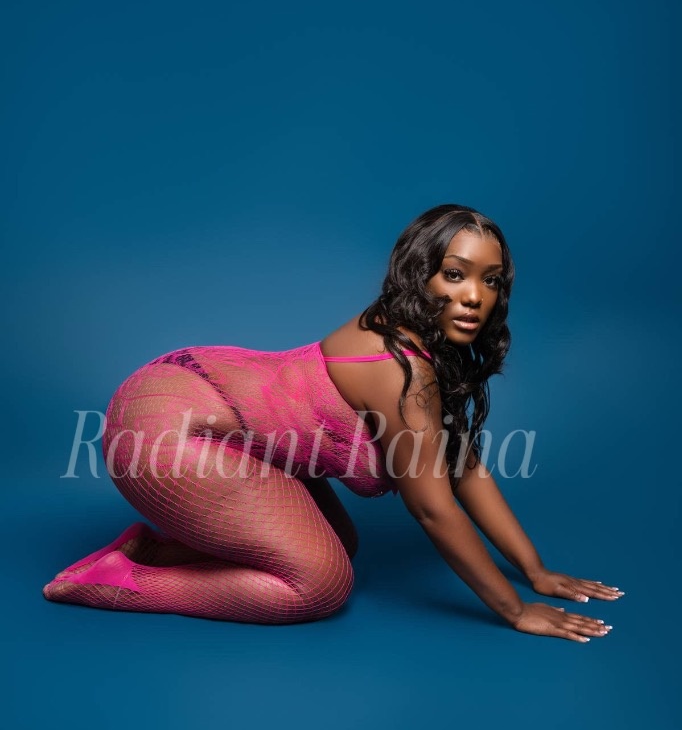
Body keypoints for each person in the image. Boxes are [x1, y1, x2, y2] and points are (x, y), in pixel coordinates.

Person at [43, 203, 623, 640]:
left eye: (490, 280)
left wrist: (535, 570)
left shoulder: (412, 340)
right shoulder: (398, 369)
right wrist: (515, 610)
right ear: (419, 275)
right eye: (454, 274)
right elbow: (432, 507)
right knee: (320, 585)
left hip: (213, 408)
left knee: (339, 544)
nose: (474, 296)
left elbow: (463, 466)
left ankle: (153, 549)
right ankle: (120, 581)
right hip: (168, 424)